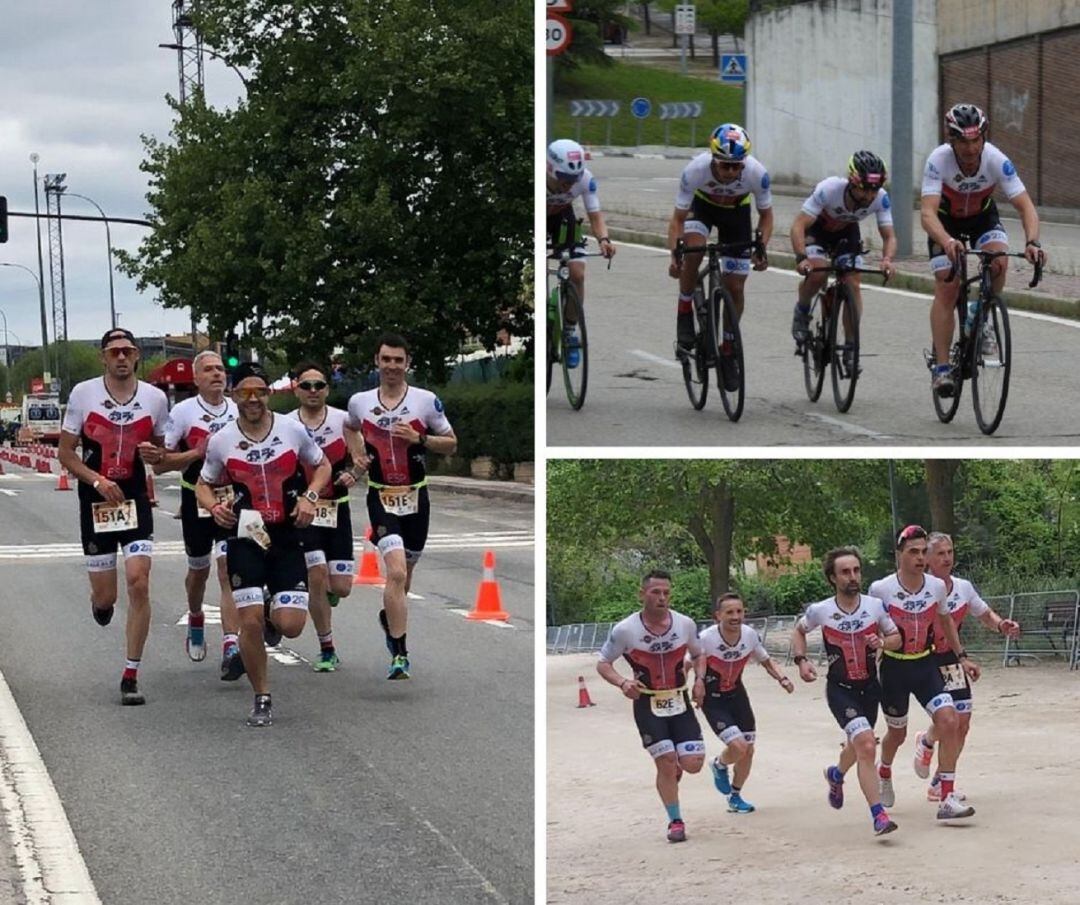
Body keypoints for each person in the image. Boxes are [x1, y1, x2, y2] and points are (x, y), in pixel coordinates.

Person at [197, 362, 330, 727]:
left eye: (260, 392)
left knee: (291, 626)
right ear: (234, 397)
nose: (253, 399)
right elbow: (203, 483)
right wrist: (212, 507)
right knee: (249, 622)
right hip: (246, 532)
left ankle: (275, 612)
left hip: (286, 533)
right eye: (244, 393)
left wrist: (310, 497)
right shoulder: (221, 439)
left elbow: (322, 466)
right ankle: (262, 696)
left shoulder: (292, 429)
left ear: (269, 395)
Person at [58, 328, 169, 706]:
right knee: (108, 597)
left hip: (134, 498)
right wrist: (97, 479)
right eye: (114, 352)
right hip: (97, 500)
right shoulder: (83, 393)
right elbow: (66, 453)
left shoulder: (155, 398)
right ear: (104, 357)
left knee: (139, 582)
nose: (121, 358)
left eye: (127, 351)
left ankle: (131, 673)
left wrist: (157, 456)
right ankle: (100, 604)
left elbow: (161, 448)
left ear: (137, 356)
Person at [346, 333, 457, 680]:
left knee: (404, 580)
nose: (392, 366)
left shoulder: (425, 401)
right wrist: (357, 456)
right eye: (386, 359)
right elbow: (349, 428)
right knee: (393, 572)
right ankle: (400, 653)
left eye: (398, 360)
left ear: (407, 363)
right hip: (380, 496)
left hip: (416, 497)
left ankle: (390, 621)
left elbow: (451, 444)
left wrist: (420, 439)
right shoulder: (360, 402)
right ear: (376, 362)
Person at [921, 102, 1048, 397]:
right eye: (963, 141)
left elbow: (1026, 206)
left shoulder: (995, 159)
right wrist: (947, 241)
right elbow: (927, 214)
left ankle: (980, 312)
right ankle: (941, 368)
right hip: (944, 221)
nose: (970, 148)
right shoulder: (938, 160)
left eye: (976, 140)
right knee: (949, 285)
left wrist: (1032, 241)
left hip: (981, 217)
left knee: (999, 262)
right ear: (951, 140)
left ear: (983, 137)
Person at [867, 524, 976, 820]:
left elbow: (946, 623)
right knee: (897, 734)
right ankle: (885, 771)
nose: (919, 557)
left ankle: (946, 797)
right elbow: (872, 628)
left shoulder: (936, 587)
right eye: (912, 552)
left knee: (950, 720)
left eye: (922, 552)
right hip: (894, 667)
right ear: (899, 554)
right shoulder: (881, 589)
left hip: (926, 663)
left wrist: (962, 657)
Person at [792, 547, 902, 836]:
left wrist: (881, 642)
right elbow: (799, 630)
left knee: (857, 746)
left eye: (856, 570)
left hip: (870, 688)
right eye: (845, 572)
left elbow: (896, 638)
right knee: (866, 744)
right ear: (832, 578)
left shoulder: (874, 607)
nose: (853, 577)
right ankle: (879, 815)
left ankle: (836, 774)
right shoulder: (821, 610)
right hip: (841, 689)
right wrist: (801, 661)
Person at [596, 570, 706, 844]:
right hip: (647, 702)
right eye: (655, 592)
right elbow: (603, 663)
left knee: (692, 765)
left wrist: (700, 681)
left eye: (666, 593)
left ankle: (675, 770)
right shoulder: (625, 630)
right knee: (666, 761)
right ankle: (675, 820)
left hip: (679, 700)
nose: (662, 598)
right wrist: (623, 683)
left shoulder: (685, 624)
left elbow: (699, 653)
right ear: (642, 594)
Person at [154, 350, 242, 677]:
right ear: (196, 379)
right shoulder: (183, 412)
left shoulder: (238, 410)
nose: (217, 374)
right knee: (199, 573)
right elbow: (161, 463)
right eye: (208, 370)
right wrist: (195, 452)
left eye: (220, 368)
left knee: (226, 568)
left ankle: (231, 644)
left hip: (232, 500)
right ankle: (195, 617)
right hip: (196, 499)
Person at [914, 531, 1021, 801]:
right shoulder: (918, 588)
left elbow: (983, 612)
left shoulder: (963, 587)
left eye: (950, 552)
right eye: (940, 553)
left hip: (953, 658)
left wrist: (1000, 624)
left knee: (962, 724)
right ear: (926, 558)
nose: (947, 558)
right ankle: (927, 740)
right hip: (925, 659)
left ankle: (940, 780)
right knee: (947, 721)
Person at [666, 122, 772, 385]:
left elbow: (767, 216)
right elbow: (677, 220)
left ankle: (728, 349)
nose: (731, 171)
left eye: (737, 166)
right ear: (713, 158)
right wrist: (674, 254)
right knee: (693, 250)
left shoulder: (757, 174)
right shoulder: (695, 171)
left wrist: (761, 246)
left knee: (735, 287)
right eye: (725, 165)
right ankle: (684, 309)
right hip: (702, 207)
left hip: (736, 213)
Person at [287, 361, 365, 672]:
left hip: (336, 508)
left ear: (327, 390)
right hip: (303, 510)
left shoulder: (342, 420)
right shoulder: (286, 423)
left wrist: (353, 474)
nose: (313, 391)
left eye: (319, 385)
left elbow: (360, 459)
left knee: (342, 586)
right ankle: (327, 646)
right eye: (306, 386)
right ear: (296, 389)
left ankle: (323, 594)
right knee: (316, 573)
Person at [695, 593, 793, 815]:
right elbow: (688, 664)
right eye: (729, 612)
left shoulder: (749, 635)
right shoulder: (706, 638)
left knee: (748, 751)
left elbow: (766, 661)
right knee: (738, 747)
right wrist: (691, 687)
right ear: (717, 616)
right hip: (713, 700)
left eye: (739, 611)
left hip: (737, 697)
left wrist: (783, 679)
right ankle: (719, 764)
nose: (735, 616)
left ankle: (735, 796)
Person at [790, 151, 897, 351]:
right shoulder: (829, 189)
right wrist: (801, 257)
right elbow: (798, 225)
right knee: (817, 274)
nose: (869, 195)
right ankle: (802, 310)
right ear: (852, 182)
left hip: (847, 233)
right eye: (864, 189)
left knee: (852, 283)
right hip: (818, 231)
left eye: (875, 189)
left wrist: (887, 259)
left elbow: (889, 235)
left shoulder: (880, 198)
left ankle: (850, 344)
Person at [546, 138, 616, 368]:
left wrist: (604, 240)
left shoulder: (584, 178)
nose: (569, 185)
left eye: (573, 180)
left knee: (577, 272)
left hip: (562, 218)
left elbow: (595, 216)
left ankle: (569, 329)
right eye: (564, 179)